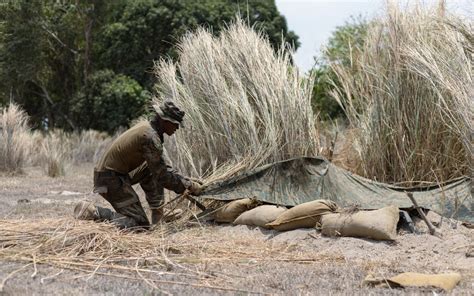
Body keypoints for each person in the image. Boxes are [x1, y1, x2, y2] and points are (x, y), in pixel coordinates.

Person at [74, 101, 202, 229]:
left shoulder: (148, 128)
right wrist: (189, 186)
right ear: (165, 121)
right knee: (139, 226)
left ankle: (159, 215)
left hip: (115, 174)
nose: (177, 128)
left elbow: (160, 168)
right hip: (109, 179)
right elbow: (163, 177)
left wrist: (185, 180)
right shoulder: (150, 137)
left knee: (151, 169)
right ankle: (93, 211)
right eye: (175, 124)